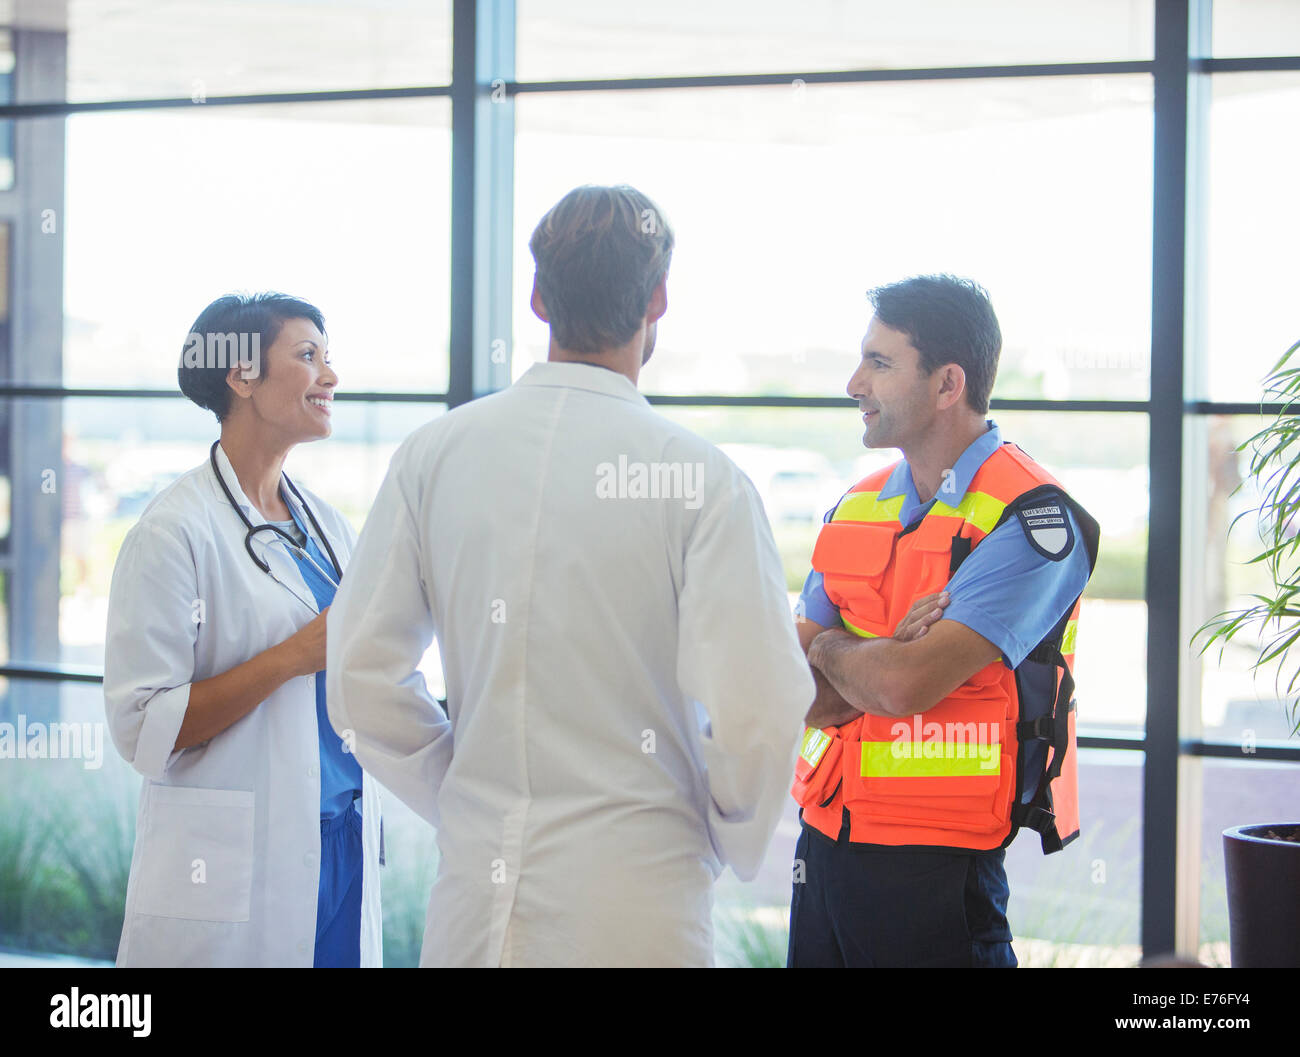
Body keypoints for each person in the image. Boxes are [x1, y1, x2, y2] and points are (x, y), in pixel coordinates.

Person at [326, 184, 814, 967]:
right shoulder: (702, 480)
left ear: (537, 295)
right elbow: (759, 703)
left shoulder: (433, 456)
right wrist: (725, 834)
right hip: (640, 904)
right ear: (658, 298)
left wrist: (464, 790)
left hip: (475, 910)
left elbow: (357, 680)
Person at [787, 275, 1099, 968]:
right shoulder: (855, 506)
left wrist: (840, 646)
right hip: (822, 855)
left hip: (937, 873)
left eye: (880, 363)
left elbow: (904, 686)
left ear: (948, 383)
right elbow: (788, 688)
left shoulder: (1032, 519)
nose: (853, 383)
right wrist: (880, 652)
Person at [104, 292, 384, 967]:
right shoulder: (173, 532)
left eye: (329, 357)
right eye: (308, 355)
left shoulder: (328, 527)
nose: (331, 376)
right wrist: (292, 656)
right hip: (236, 859)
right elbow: (143, 728)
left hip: (340, 844)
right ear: (242, 375)